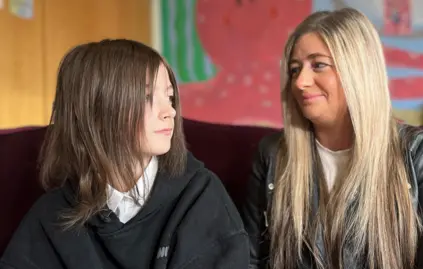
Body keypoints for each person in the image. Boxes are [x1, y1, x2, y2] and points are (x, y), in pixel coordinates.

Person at [241, 8, 423, 269]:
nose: (300, 82)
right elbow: (251, 260)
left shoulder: (418, 153)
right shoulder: (273, 156)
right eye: (295, 69)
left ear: (358, 71)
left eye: (318, 65)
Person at [0, 39, 248, 269]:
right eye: (147, 96)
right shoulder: (53, 213)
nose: (169, 112)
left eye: (170, 97)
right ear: (97, 109)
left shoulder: (200, 196)